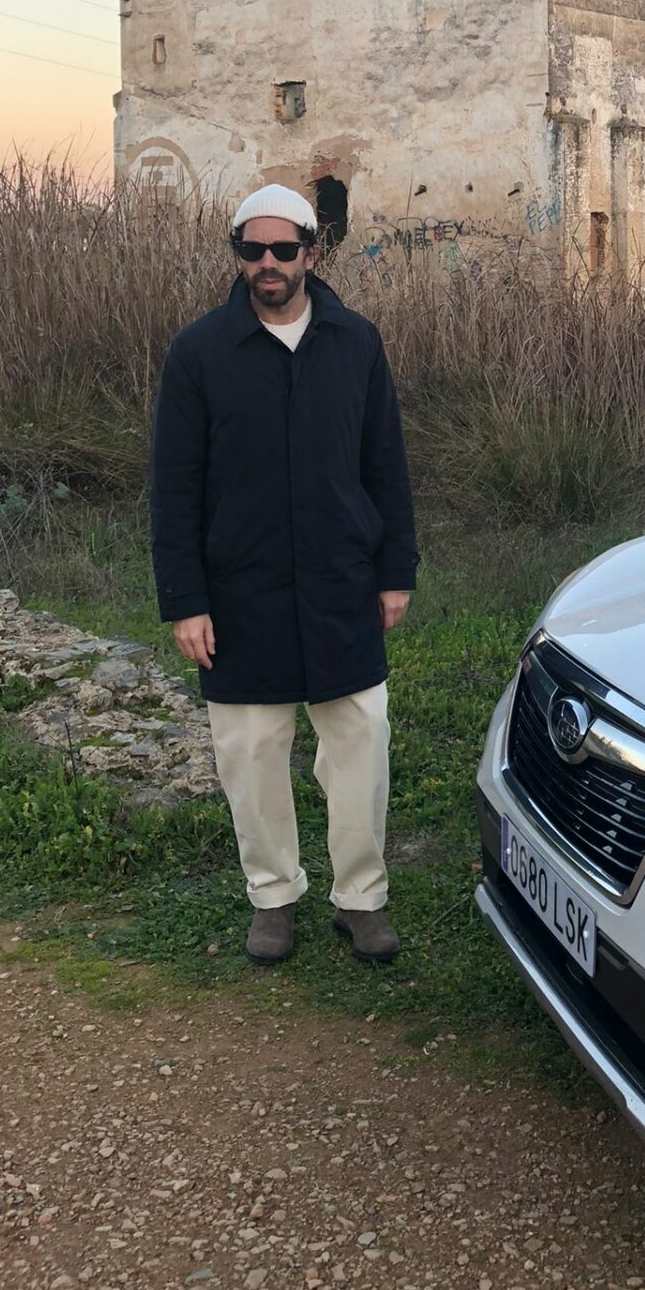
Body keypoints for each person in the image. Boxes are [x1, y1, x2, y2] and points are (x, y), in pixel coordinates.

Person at [149, 183, 419, 965]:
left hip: (341, 581)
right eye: (251, 249)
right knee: (251, 749)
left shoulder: (356, 343)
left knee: (360, 741)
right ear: (237, 253)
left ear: (313, 251)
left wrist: (393, 571)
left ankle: (361, 898)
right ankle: (273, 896)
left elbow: (385, 467)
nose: (267, 264)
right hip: (241, 591)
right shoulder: (199, 353)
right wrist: (186, 602)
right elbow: (173, 488)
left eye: (283, 249)